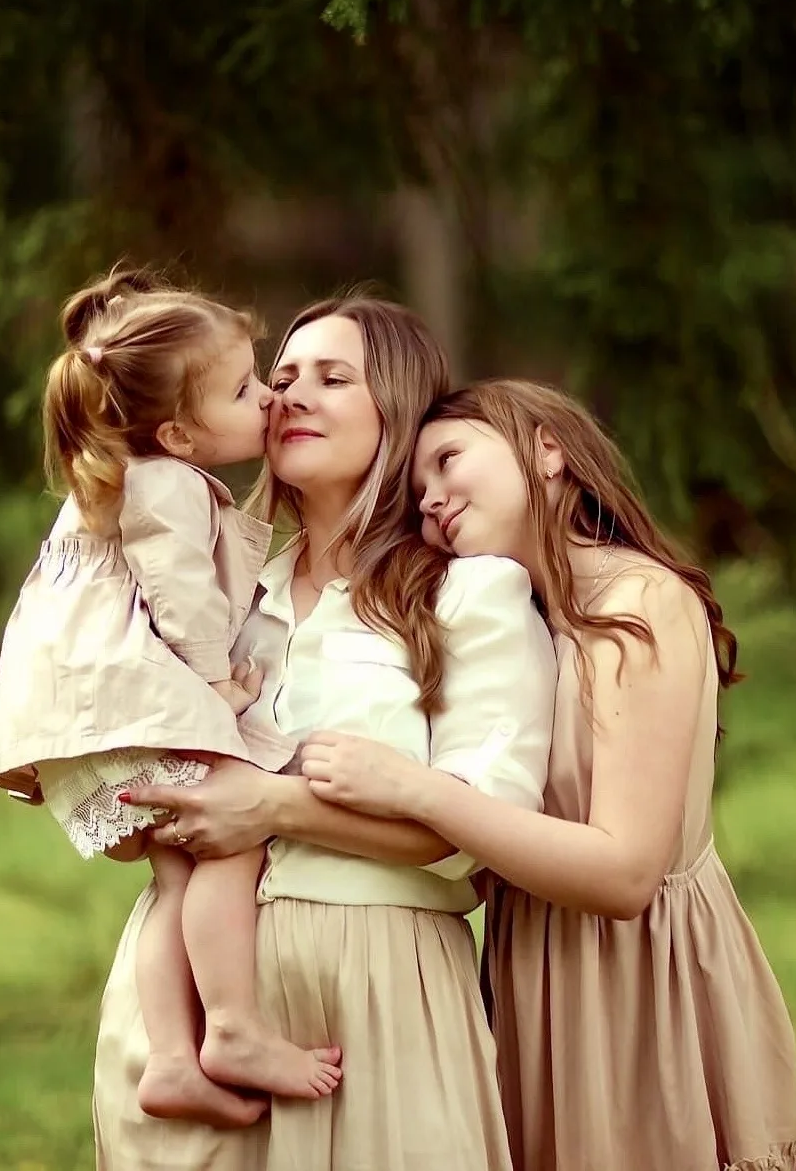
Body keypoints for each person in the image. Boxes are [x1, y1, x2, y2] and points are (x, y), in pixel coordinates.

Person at [298, 379, 796, 1171]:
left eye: (448, 459)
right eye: (418, 490)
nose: (430, 499)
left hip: (643, 986)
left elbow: (624, 872)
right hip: (531, 978)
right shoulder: (524, 637)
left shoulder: (641, 602)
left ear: (547, 451)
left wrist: (413, 787)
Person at [96, 298, 557, 1171]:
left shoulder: (469, 596)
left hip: (379, 988)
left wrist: (274, 806)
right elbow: (132, 796)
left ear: (399, 408)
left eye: (332, 377)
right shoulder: (217, 597)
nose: (289, 395)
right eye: (280, 377)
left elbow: (480, 838)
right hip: (185, 1018)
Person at [0, 268, 343, 1131]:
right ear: (178, 432)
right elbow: (180, 596)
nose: (268, 399)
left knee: (177, 877)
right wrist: (218, 685)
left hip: (85, 710)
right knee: (230, 841)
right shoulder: (169, 485)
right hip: (124, 702)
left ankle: (173, 1058)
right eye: (245, 390)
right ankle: (233, 1026)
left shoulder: (120, 478)